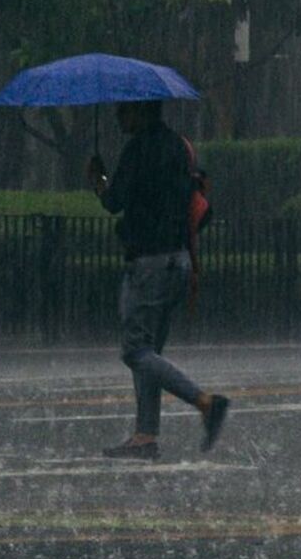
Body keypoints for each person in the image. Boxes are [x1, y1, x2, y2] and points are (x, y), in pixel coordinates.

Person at [86, 100, 230, 460]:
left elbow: (114, 202)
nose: (118, 116)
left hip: (148, 263)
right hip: (178, 260)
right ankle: (145, 435)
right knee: (150, 352)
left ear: (142, 112)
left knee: (135, 350)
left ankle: (205, 402)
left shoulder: (139, 149)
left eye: (124, 110)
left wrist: (98, 182)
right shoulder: (179, 146)